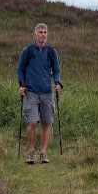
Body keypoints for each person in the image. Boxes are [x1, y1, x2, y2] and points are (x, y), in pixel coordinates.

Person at [17, 23, 62, 164]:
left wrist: (58, 82)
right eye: (41, 32)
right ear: (35, 35)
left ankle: (43, 152)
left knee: (47, 123)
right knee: (32, 122)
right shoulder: (28, 51)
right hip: (31, 92)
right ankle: (31, 151)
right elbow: (20, 70)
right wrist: (21, 85)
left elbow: (56, 70)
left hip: (47, 93)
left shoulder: (51, 52)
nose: (43, 34)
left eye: (45, 32)